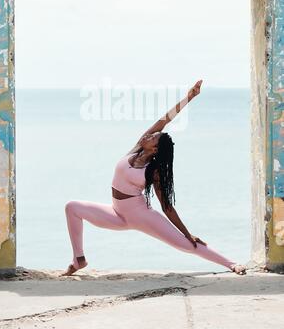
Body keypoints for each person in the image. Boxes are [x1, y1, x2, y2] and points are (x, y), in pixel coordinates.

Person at [61, 80, 246, 276]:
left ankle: (232, 264)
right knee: (72, 207)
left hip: (141, 215)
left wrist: (186, 232)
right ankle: (78, 259)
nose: (148, 136)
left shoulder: (154, 171)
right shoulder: (137, 149)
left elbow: (166, 206)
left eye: (152, 138)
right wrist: (189, 98)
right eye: (150, 135)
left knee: (186, 245)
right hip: (116, 213)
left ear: (155, 149)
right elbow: (164, 120)